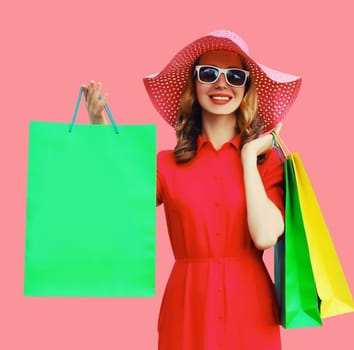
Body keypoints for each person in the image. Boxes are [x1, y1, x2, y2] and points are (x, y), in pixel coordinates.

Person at [82, 30, 302, 350]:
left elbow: (266, 236)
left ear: (246, 89)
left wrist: (247, 157)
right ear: (193, 85)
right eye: (208, 73)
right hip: (186, 309)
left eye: (235, 76)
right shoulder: (166, 164)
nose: (221, 84)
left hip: (251, 311)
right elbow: (121, 202)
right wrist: (99, 130)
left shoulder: (267, 162)